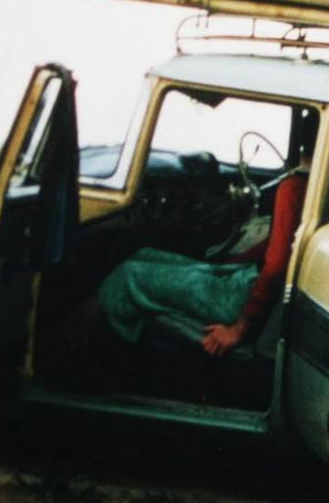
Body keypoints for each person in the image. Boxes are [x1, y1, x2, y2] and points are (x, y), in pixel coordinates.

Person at [96, 110, 316, 356]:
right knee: (143, 254)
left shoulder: (294, 187)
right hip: (248, 280)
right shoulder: (320, 187)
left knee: (126, 275)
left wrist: (240, 328)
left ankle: (88, 358)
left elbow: (276, 265)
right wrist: (229, 263)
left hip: (244, 296)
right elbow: (278, 246)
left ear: (301, 139)